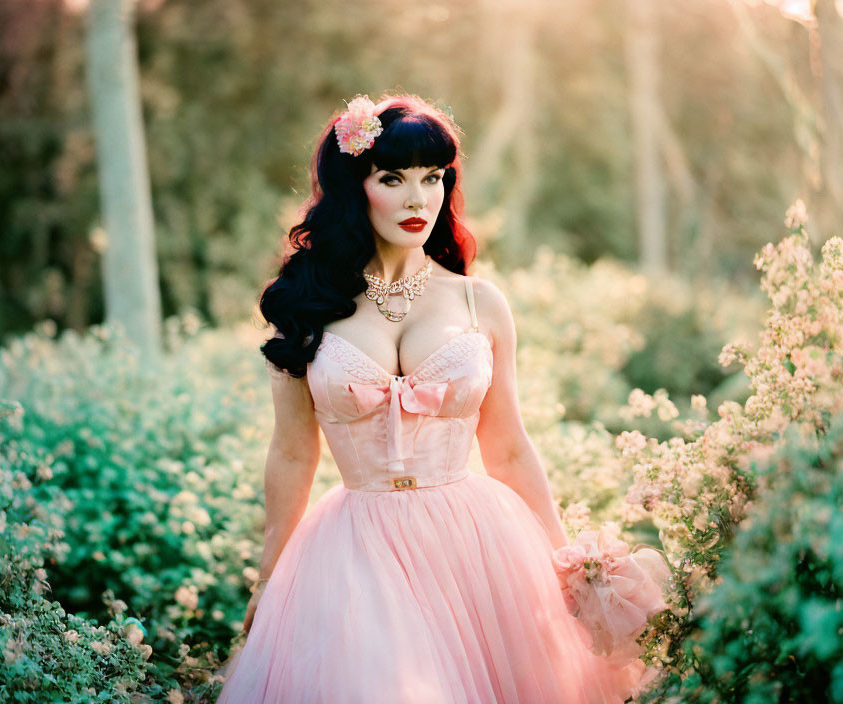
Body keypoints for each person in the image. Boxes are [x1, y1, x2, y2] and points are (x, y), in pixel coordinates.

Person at [215, 92, 660, 703]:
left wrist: (567, 558)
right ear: (356, 187)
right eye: (392, 178)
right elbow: (293, 454)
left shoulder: (481, 303)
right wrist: (269, 582)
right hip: (354, 546)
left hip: (476, 543)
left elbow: (506, 447)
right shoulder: (305, 305)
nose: (417, 198)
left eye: (433, 178)